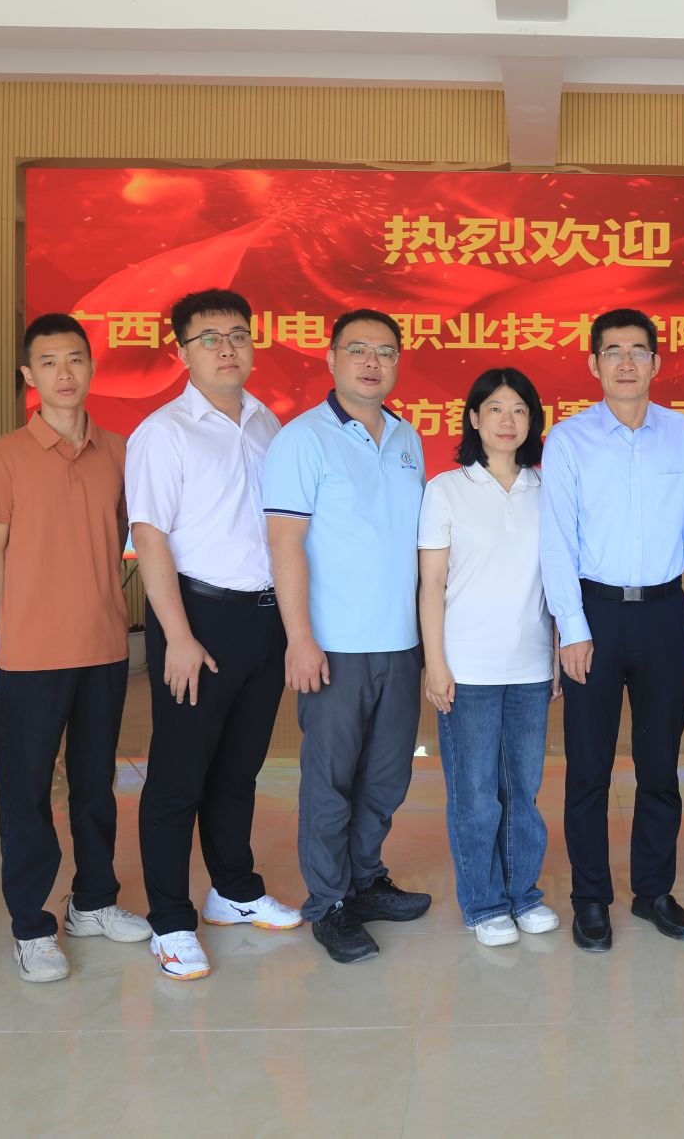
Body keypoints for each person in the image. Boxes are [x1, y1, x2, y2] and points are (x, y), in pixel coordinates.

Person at [129, 289, 303, 981]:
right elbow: (150, 536)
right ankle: (170, 920)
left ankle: (232, 889)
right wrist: (176, 635)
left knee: (238, 769)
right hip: (197, 619)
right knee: (178, 778)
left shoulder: (268, 424)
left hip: (263, 618)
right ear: (182, 352)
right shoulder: (164, 432)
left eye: (237, 334)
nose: (226, 348)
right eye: (209, 338)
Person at [0, 313, 150, 984]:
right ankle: (31, 924)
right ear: (29, 375)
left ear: (91, 366)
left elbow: (120, 534)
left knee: (95, 785)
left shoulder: (119, 451)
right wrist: (23, 620)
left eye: (75, 358)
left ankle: (94, 901)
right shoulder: (3, 455)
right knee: (24, 794)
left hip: (104, 645)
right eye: (48, 362)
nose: (64, 372)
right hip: (31, 654)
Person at [541, 307, 684, 952]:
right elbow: (557, 542)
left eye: (638, 350)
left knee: (660, 765)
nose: (625, 362)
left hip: (666, 614)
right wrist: (572, 628)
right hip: (596, 614)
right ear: (593, 363)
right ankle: (590, 898)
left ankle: (654, 890)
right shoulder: (568, 440)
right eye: (612, 351)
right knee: (588, 769)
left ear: (656, 363)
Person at [266, 309, 432, 964]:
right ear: (331, 358)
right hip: (333, 645)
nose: (372, 362)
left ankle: (365, 879)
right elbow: (285, 543)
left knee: (387, 777)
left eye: (385, 351)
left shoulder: (407, 437)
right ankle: (329, 901)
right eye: (358, 349)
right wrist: (299, 638)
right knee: (330, 780)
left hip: (400, 643)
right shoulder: (303, 439)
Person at [419, 368, 560, 947]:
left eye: (520, 409)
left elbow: (557, 581)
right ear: (474, 418)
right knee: (476, 796)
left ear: (533, 421)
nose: (508, 420)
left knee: (522, 791)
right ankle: (484, 904)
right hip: (467, 669)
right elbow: (431, 584)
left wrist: (557, 650)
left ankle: (524, 895)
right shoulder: (446, 489)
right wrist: (435, 663)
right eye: (496, 408)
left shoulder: (547, 489)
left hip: (530, 667)